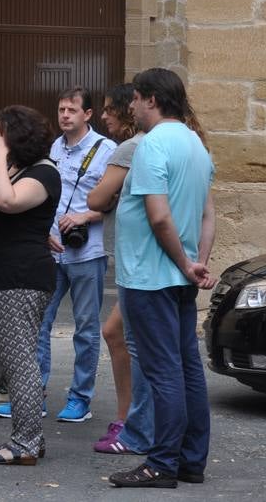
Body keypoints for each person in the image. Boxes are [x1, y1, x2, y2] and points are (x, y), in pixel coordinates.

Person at [108, 68, 216, 489]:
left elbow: (157, 215)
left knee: (164, 372)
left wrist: (186, 263)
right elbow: (208, 214)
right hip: (178, 276)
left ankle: (162, 464)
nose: (131, 106)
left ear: (151, 99)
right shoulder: (195, 144)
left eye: (134, 98)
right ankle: (190, 460)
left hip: (149, 277)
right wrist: (196, 262)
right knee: (187, 368)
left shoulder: (152, 146)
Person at [0, 106, 60, 466]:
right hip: (10, 277)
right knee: (16, 361)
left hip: (22, 279)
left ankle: (26, 443)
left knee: (19, 363)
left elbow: (6, 201)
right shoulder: (23, 170)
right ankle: (30, 439)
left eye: (2, 132)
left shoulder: (44, 172)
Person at [32, 88, 115, 425]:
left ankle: (81, 398)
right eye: (61, 109)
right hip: (52, 252)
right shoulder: (53, 148)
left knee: (86, 329)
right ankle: (33, 393)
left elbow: (117, 200)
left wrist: (85, 217)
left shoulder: (107, 151)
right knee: (39, 323)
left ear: (88, 115)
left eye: (72, 110)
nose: (65, 115)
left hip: (87, 252)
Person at [86, 84, 152, 456]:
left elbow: (96, 197)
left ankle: (133, 422)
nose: (106, 116)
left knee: (130, 340)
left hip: (140, 264)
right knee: (118, 335)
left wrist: (106, 195)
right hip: (142, 261)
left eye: (111, 110)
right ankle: (130, 416)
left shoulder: (131, 148)